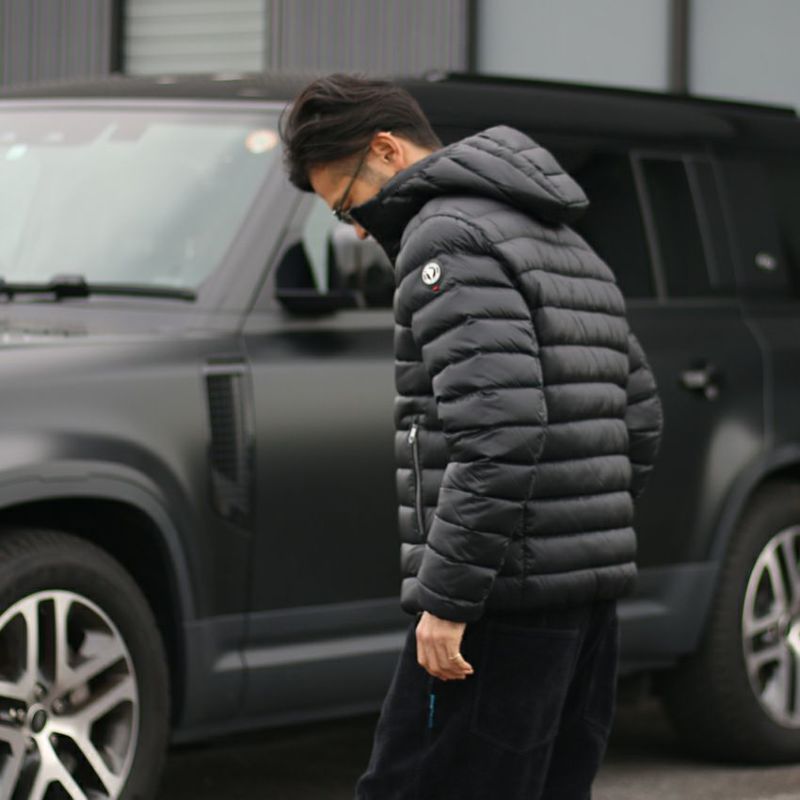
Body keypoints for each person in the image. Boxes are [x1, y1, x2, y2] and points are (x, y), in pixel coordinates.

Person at [278, 73, 664, 800]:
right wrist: (574, 528)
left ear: (386, 149)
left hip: (498, 598)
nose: (357, 229)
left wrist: (450, 600)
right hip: (582, 601)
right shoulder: (554, 233)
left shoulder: (444, 239)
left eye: (348, 205)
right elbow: (638, 413)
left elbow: (497, 431)